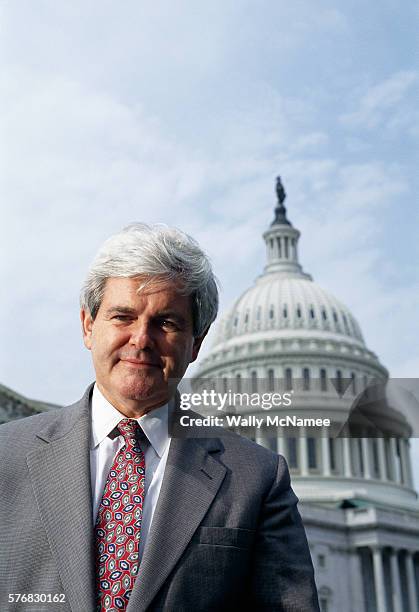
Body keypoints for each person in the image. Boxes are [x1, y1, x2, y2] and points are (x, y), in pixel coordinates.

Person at [0, 223, 320, 611]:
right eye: (122, 317)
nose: (141, 339)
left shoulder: (255, 477)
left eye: (166, 322)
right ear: (88, 325)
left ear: (196, 343)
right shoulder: (7, 456)